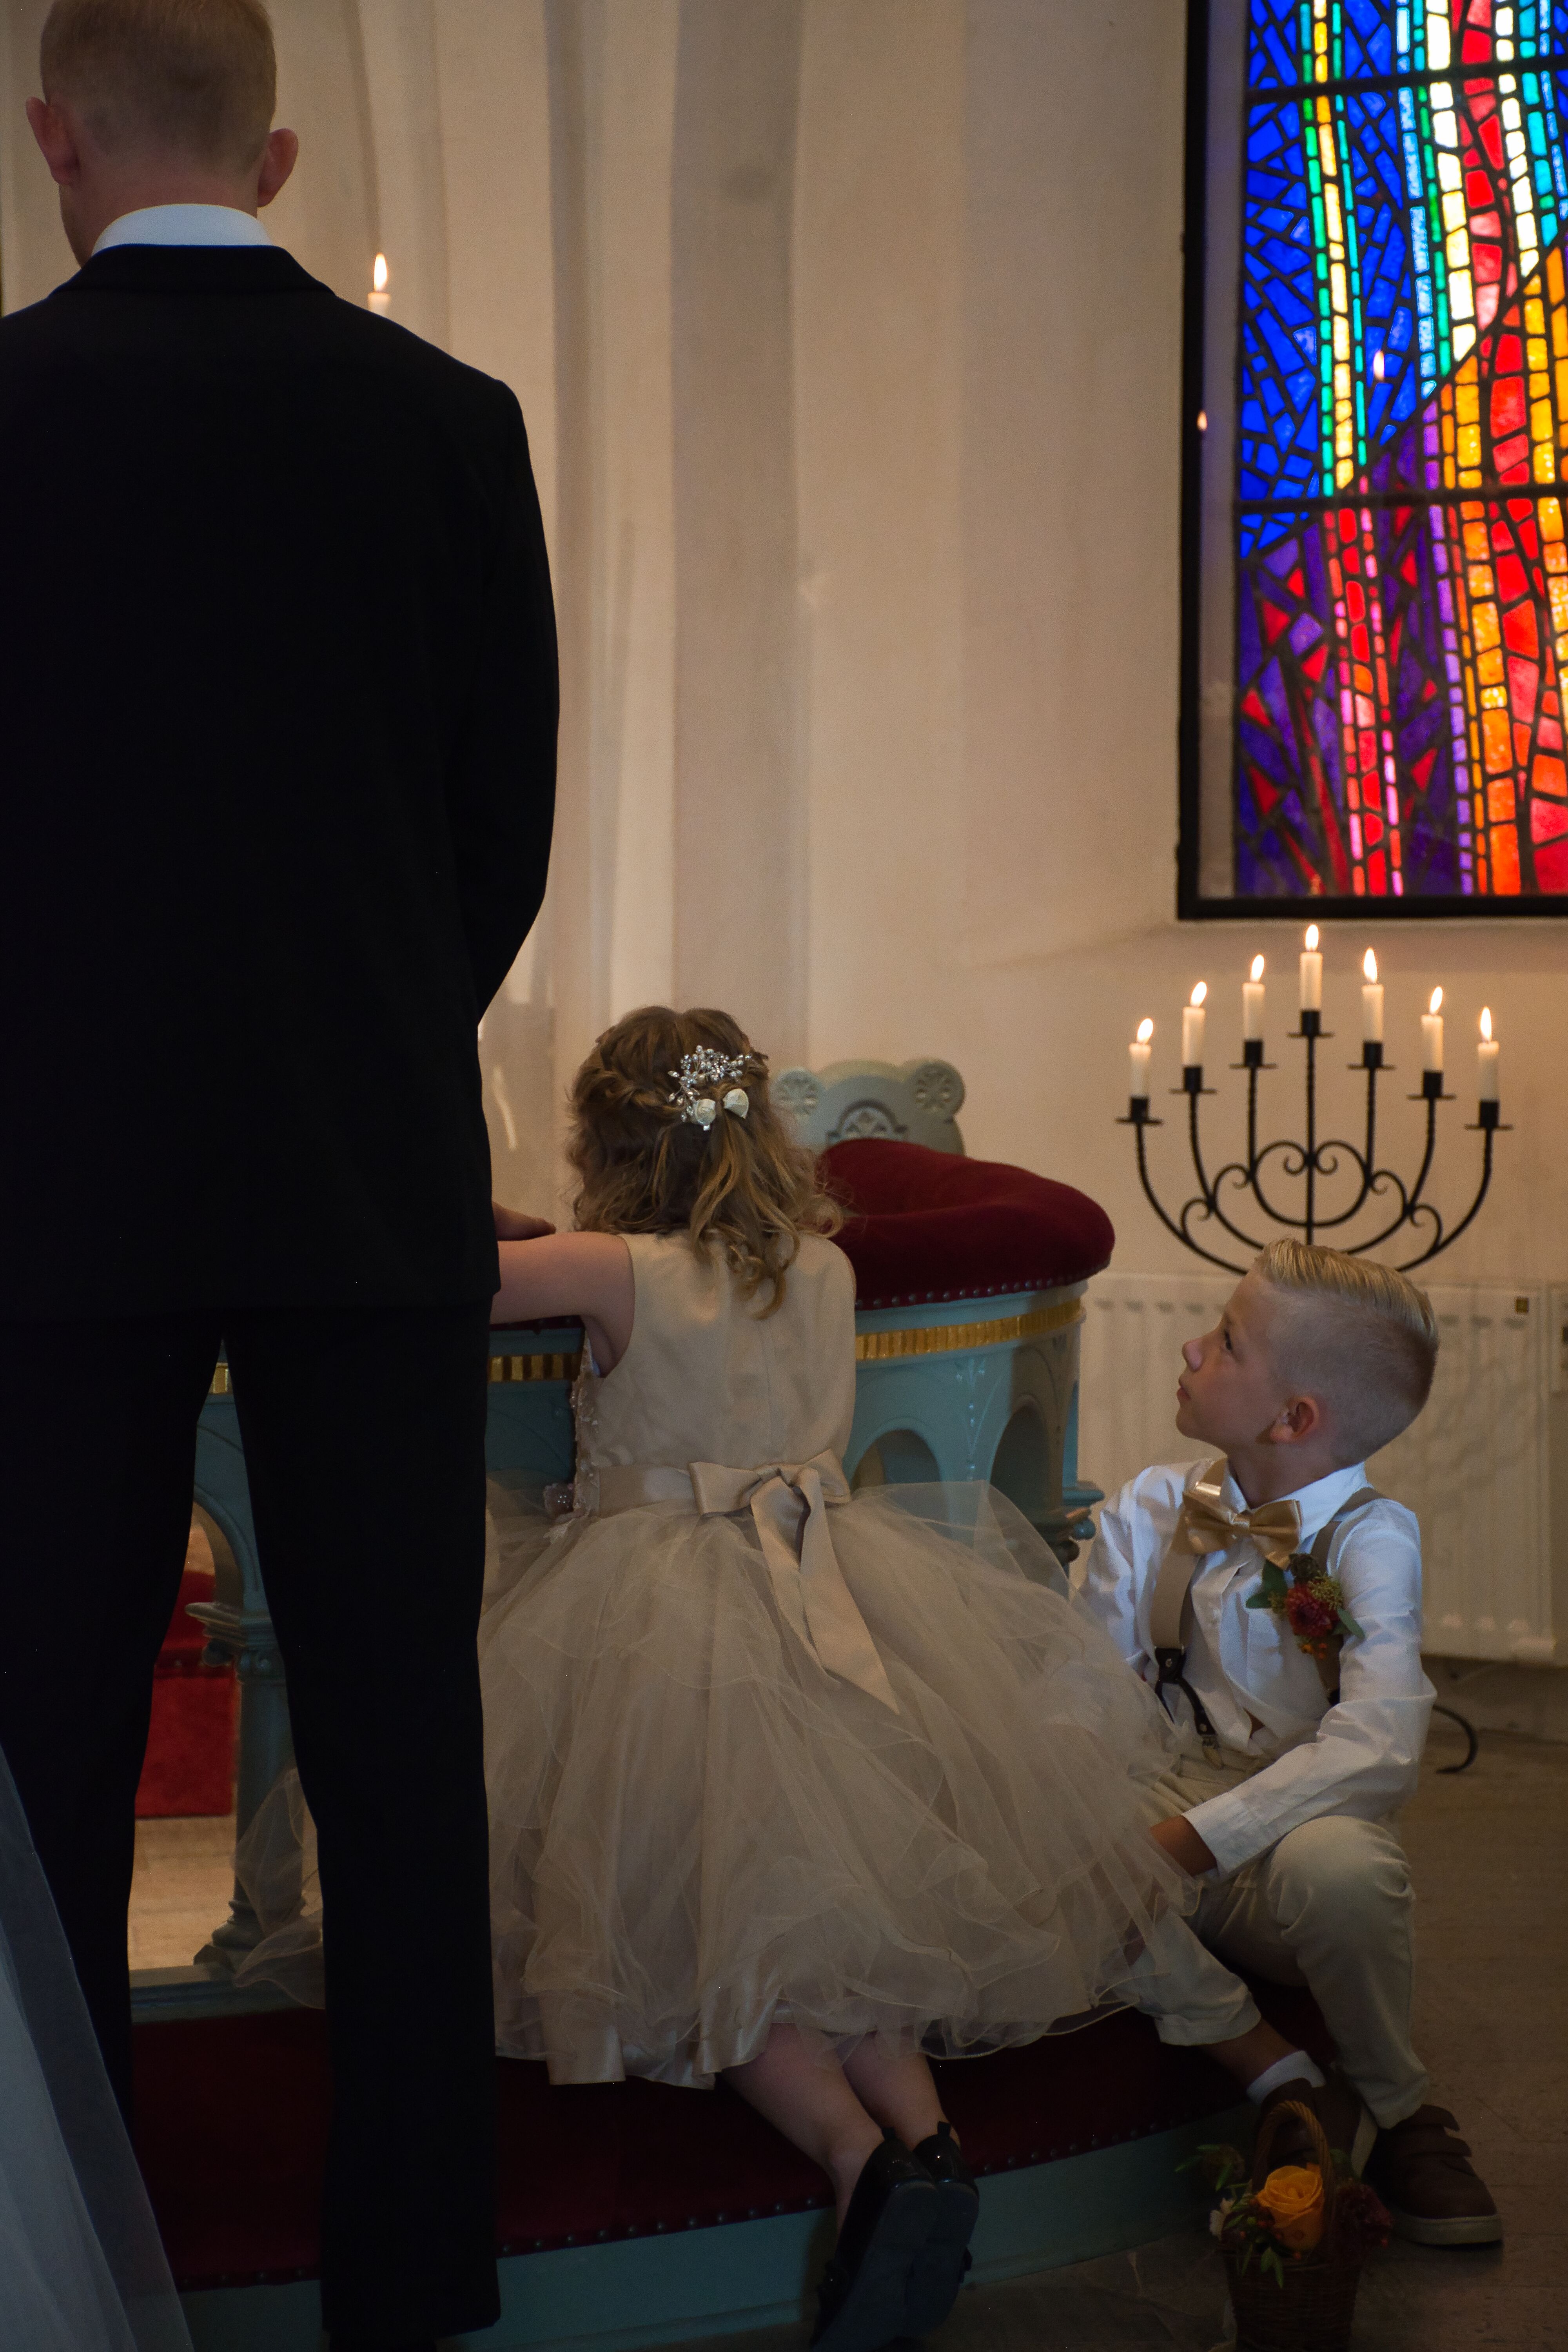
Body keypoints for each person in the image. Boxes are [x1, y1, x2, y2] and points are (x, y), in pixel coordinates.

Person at [0, 4, 556, 2346]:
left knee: (44, 1733)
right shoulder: (448, 423)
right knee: (400, 1733)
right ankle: (410, 2279)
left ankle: (65, 2255)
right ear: (282, 151)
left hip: (48, 1186)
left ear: (53, 137)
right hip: (362, 1171)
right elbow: (497, 834)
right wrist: (360, 1036)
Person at [465, 1006, 1319, 2351]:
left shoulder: (614, 1267)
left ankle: (855, 2158)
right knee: (843, 1913)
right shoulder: (823, 1268)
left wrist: (481, 1211)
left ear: (609, 1147)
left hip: (664, 1619)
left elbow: (455, 1276)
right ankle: (930, 2144)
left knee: (716, 1929)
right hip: (830, 1600)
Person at [1079, 1241, 1502, 2245]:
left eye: (1226, 1342)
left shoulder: (1370, 1538)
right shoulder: (1149, 1508)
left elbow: (1378, 1746)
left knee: (1342, 1869)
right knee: (1046, 1838)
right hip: (1159, 1783)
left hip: (1288, 1823)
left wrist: (1190, 1843)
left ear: (1292, 1419)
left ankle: (1398, 2106)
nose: (1190, 1348)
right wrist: (1100, 1815)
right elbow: (1080, 1695)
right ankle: (1274, 2071)